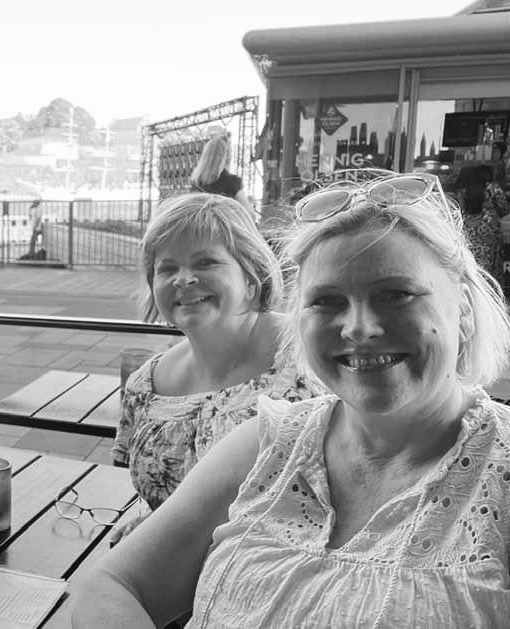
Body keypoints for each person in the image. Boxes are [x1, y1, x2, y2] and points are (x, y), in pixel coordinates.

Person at [73, 172, 510, 627]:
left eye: (396, 294)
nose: (359, 328)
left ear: (463, 309)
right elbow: (110, 583)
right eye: (327, 300)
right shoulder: (269, 442)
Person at [109, 192, 317, 542]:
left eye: (205, 262)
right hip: (167, 561)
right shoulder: (146, 385)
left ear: (251, 276)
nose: (183, 279)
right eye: (167, 268)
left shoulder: (312, 357)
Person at [189, 135, 253, 214]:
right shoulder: (232, 182)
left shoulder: (196, 181)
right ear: (227, 157)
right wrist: (251, 203)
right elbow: (249, 214)